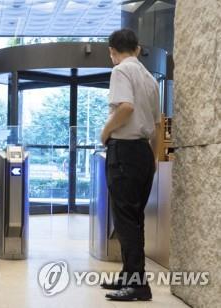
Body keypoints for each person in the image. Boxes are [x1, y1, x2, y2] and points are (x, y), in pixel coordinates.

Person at [100, 29, 160, 301]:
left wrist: (105, 131)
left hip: (124, 151)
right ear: (137, 48)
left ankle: (137, 284)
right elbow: (158, 125)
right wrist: (154, 159)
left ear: (113, 51)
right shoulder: (150, 78)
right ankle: (129, 277)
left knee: (125, 220)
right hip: (144, 153)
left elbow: (126, 107)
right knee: (134, 219)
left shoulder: (121, 71)